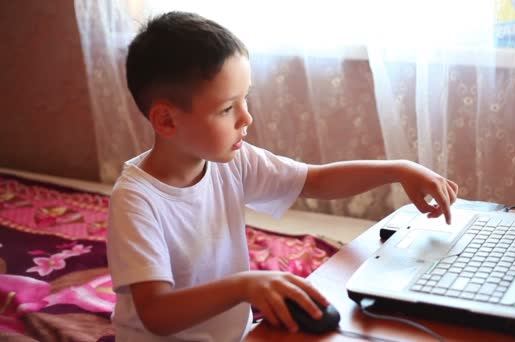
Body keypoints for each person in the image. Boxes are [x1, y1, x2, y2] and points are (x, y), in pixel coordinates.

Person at [107, 11, 459, 342]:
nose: (247, 118)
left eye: (245, 99)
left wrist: (397, 170)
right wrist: (243, 286)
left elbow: (315, 181)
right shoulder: (136, 200)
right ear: (167, 120)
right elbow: (156, 312)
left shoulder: (232, 161)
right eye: (227, 108)